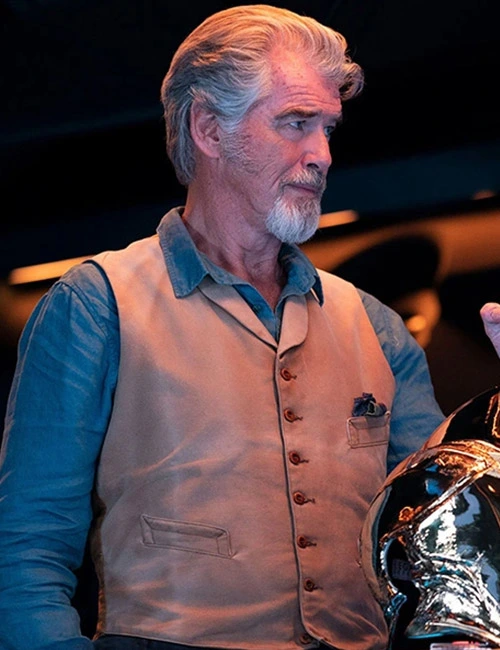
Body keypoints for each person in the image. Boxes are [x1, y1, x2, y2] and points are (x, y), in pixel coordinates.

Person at [0, 5, 499, 650]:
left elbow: (444, 529)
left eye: (327, 129)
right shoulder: (96, 306)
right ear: (210, 130)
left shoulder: (375, 325)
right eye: (295, 123)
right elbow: (25, 551)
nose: (322, 155)